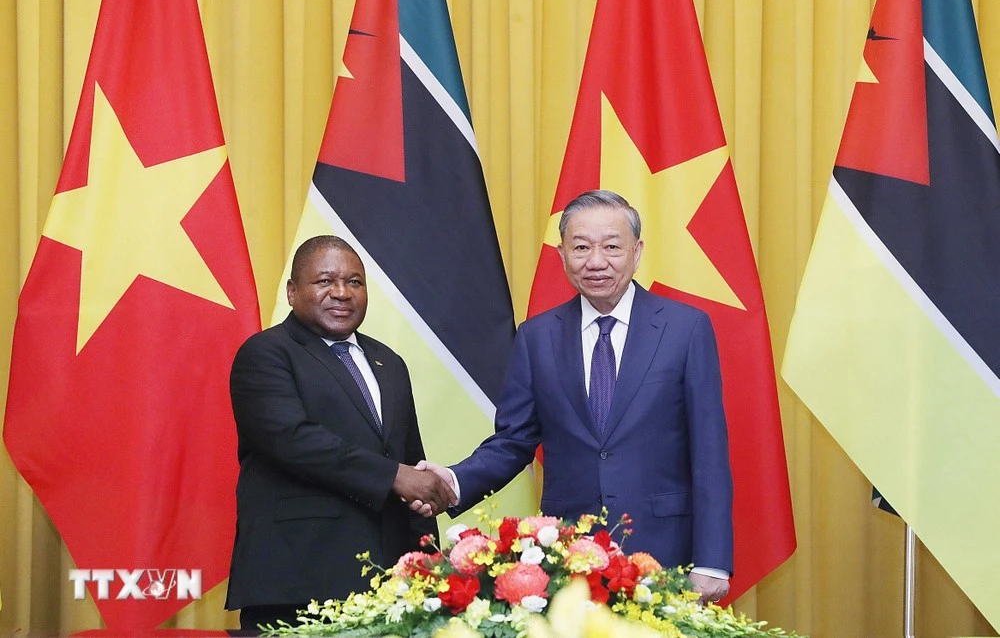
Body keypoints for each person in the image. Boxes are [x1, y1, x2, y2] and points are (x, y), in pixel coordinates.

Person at [416, 190, 733, 603]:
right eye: (581, 247)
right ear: (563, 254)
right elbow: (513, 441)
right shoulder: (537, 336)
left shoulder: (685, 329)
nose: (596, 261)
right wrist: (455, 481)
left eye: (612, 247)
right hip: (568, 554)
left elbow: (709, 452)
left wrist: (711, 562)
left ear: (637, 252)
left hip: (664, 551)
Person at [225, 235, 456, 630]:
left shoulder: (389, 362)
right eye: (325, 281)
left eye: (354, 282)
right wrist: (394, 477)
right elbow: (293, 440)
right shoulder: (266, 353)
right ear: (293, 292)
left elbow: (409, 461)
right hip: (299, 580)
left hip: (390, 584)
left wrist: (429, 559)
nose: (341, 293)